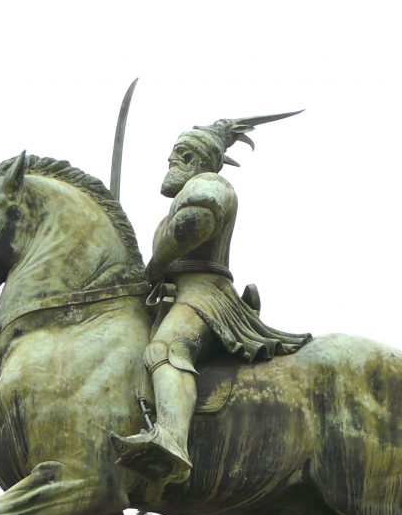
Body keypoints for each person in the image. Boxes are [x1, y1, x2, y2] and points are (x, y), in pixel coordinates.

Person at [111, 112, 311, 484]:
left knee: (166, 350)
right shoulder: (186, 194)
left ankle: (171, 439)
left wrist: (156, 265)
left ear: (196, 160)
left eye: (180, 154)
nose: (172, 161)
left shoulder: (207, 183)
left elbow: (196, 223)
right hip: (178, 294)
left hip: (203, 294)